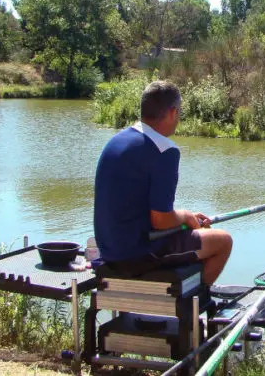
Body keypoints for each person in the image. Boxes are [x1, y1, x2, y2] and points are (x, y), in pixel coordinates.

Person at [93, 80, 232, 285]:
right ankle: (194, 303)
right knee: (222, 241)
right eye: (179, 113)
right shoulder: (164, 150)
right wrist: (184, 216)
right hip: (136, 254)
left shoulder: (117, 140)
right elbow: (161, 220)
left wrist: (187, 219)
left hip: (108, 249)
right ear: (173, 112)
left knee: (195, 234)